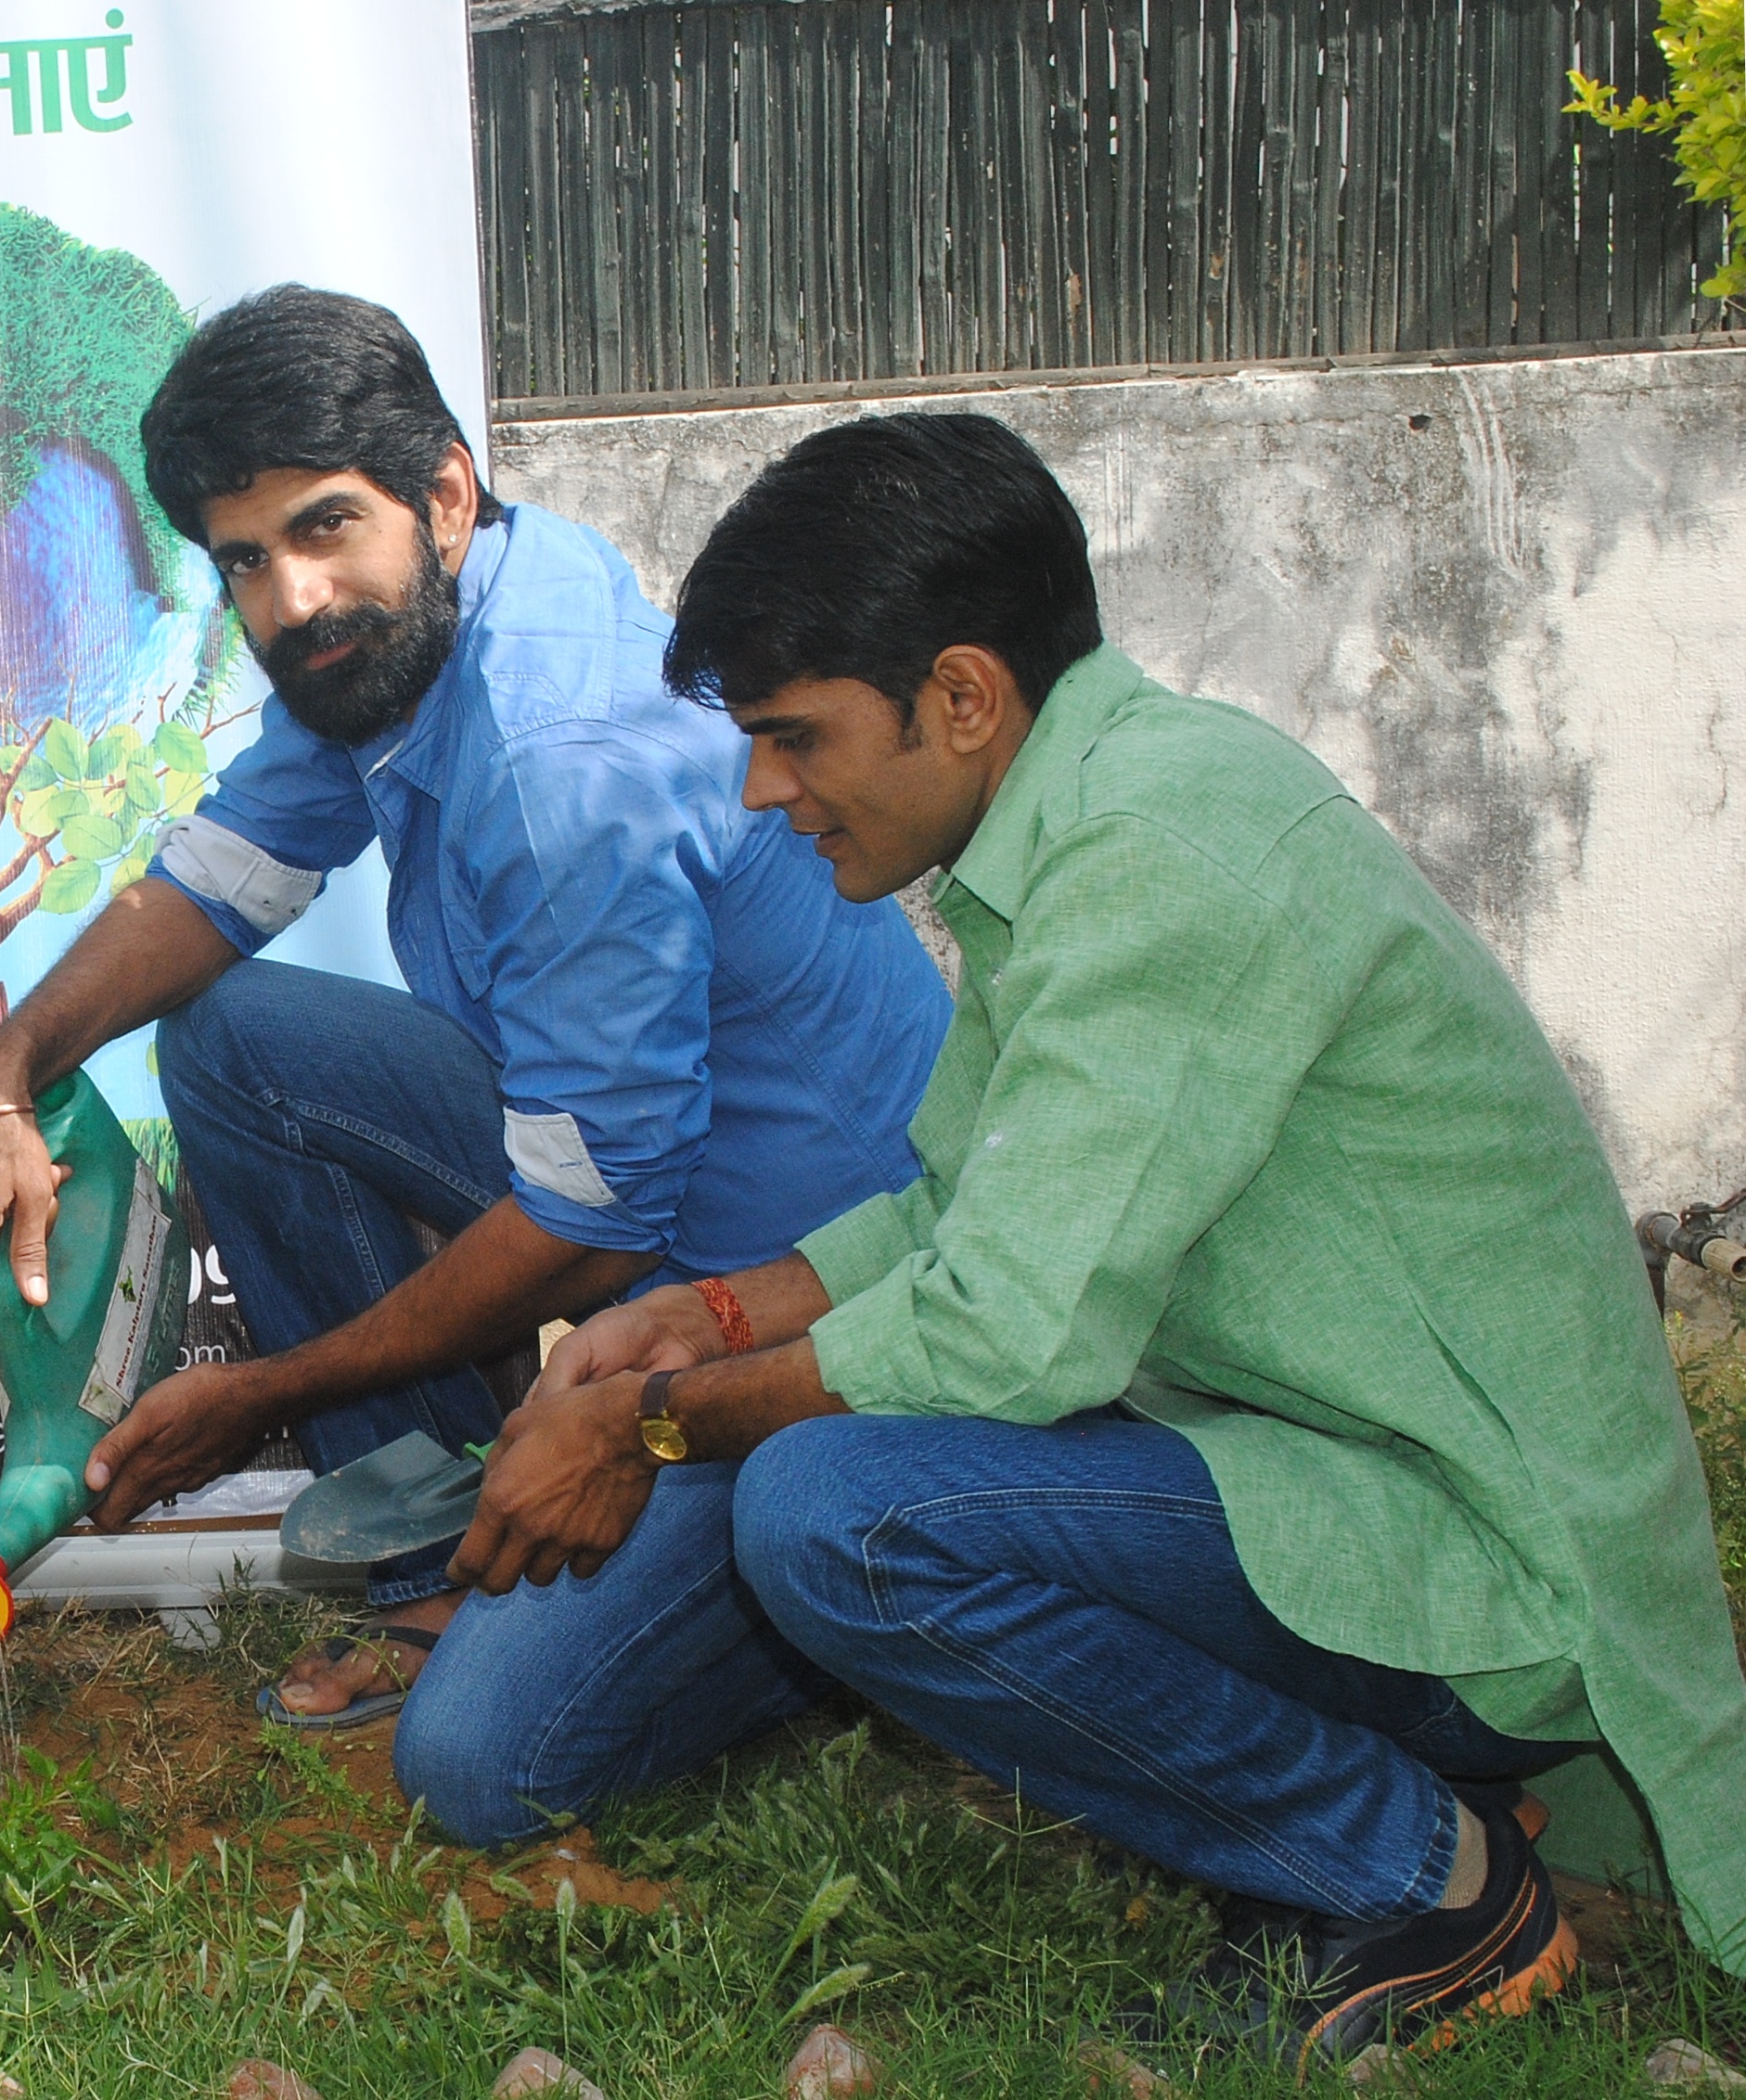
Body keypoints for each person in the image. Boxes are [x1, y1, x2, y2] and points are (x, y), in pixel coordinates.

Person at [494, 411, 1746, 2071]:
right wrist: (709, 1317)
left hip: (1491, 1568)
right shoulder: (1083, 824)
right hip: (1340, 1483)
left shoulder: (1161, 851)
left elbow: (1004, 1334)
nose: (762, 791)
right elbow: (959, 1207)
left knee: (838, 1516)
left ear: (961, 696)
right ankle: (1414, 1816)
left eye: (794, 737)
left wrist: (642, 1425)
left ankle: (1422, 1880)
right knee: (833, 1484)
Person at [0, 286, 950, 1825]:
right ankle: (431, 1558)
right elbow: (222, 877)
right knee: (237, 1037)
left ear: (448, 494)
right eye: (244, 561)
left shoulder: (564, 773)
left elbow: (589, 1227)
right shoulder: (414, 633)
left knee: (485, 1761)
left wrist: (265, 1391)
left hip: (809, 1291)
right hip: (641, 1193)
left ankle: (800, 1585)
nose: (291, 599)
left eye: (324, 528)